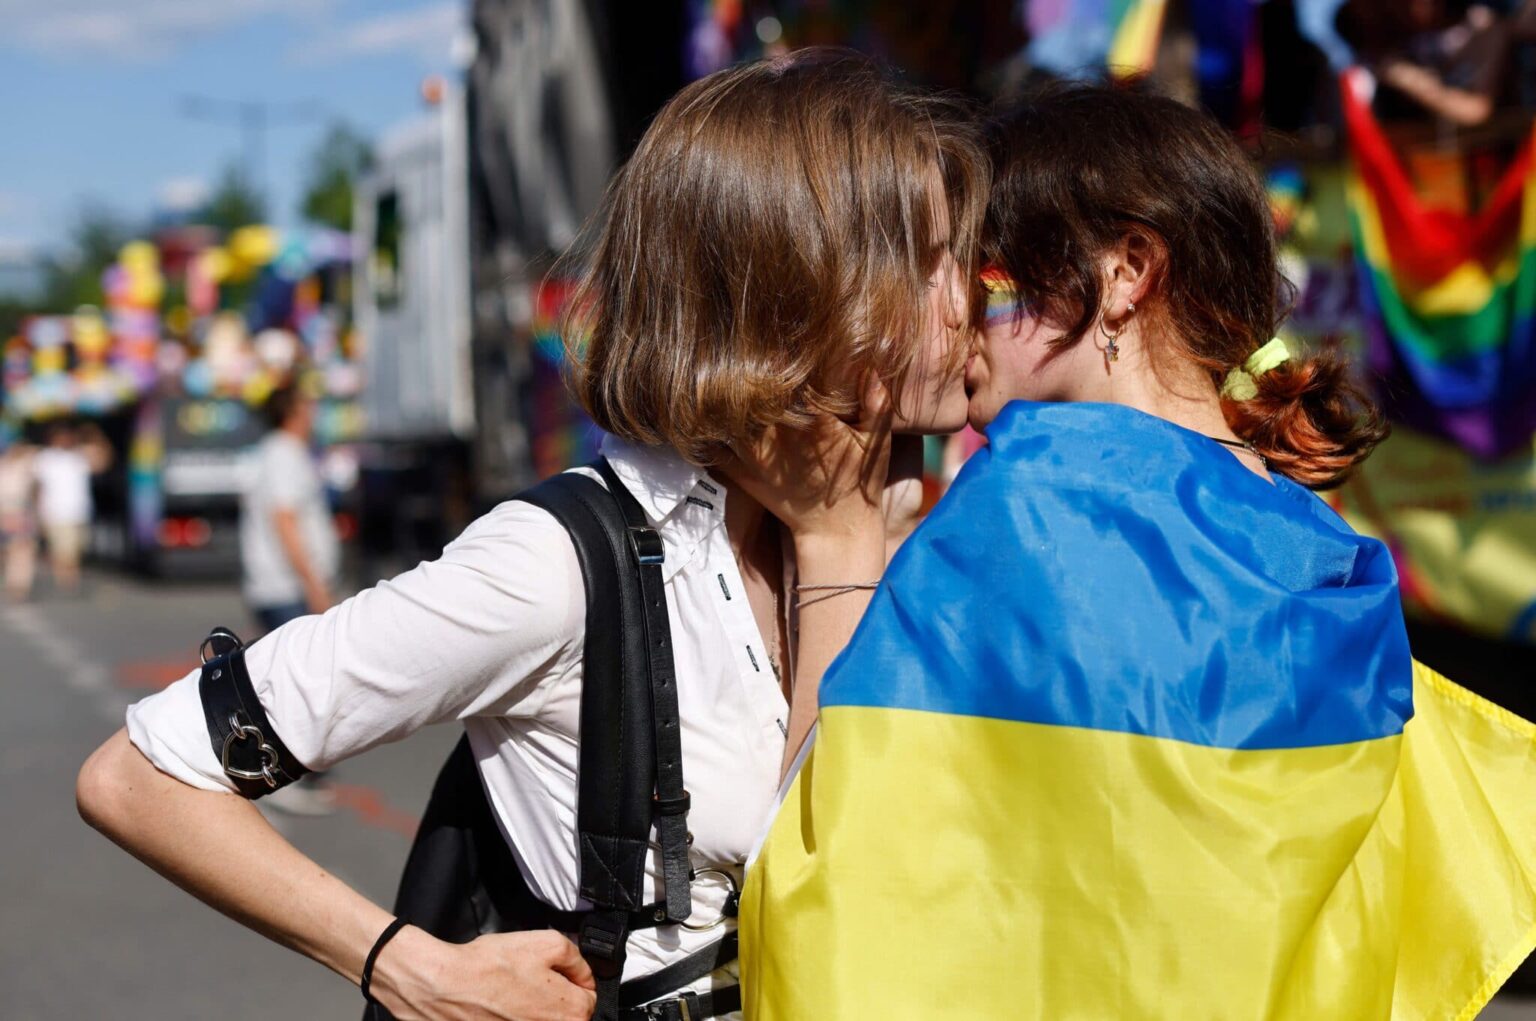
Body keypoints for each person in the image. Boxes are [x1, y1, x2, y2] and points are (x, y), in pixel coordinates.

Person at [76, 49, 984, 1021]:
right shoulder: (558, 565)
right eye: (925, 263)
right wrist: (408, 968)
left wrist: (857, 540)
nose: (965, 300)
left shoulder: (880, 514)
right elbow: (139, 775)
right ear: (794, 291)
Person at [740, 81, 1536, 1019]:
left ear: (1126, 271)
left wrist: (834, 541)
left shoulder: (1022, 518)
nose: (947, 317)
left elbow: (818, 894)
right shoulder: (1326, 554)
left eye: (980, 277)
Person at [242, 381, 340, 632]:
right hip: (287, 592)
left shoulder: (284, 451)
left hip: (290, 591)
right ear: (293, 413)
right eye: (308, 405)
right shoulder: (282, 455)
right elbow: (284, 522)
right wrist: (313, 585)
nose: (314, 412)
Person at [33, 421, 111, 595]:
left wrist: (95, 435)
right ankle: (67, 581)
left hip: (79, 512)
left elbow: (103, 462)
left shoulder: (79, 456)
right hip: (55, 512)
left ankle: (67, 577)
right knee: (64, 549)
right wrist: (38, 512)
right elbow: (37, 487)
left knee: (76, 549)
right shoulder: (45, 458)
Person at [0, 439, 38, 602]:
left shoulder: (22, 465)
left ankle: (18, 584)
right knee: (17, 552)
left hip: (18, 512)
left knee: (20, 551)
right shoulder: (24, 466)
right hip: (13, 512)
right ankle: (16, 583)